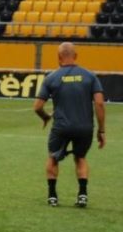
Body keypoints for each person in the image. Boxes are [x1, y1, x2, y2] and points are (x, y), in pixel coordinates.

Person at [34, 41, 106, 208]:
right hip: (85, 127)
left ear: (59, 57)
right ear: (76, 56)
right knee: (80, 158)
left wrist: (45, 117)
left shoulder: (51, 77)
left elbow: (37, 106)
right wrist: (101, 130)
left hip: (61, 127)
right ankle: (82, 194)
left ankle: (52, 196)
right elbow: (100, 104)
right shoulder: (90, 76)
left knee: (53, 157)